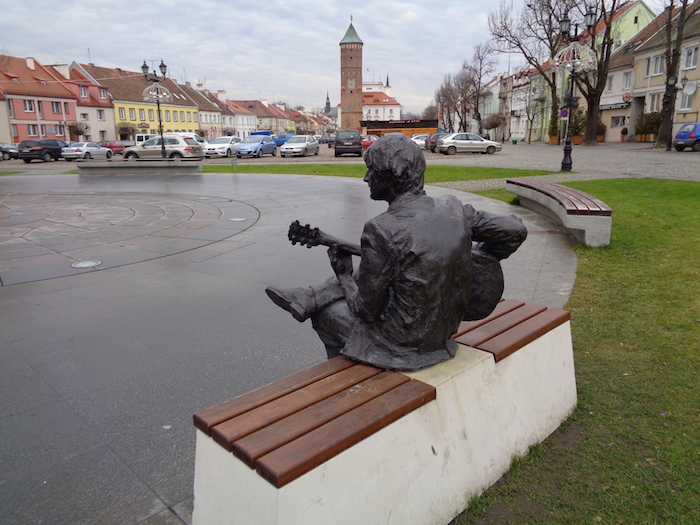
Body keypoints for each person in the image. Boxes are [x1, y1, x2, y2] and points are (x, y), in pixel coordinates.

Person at [266, 133, 527, 370]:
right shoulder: (452, 208)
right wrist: (477, 256)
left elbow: (365, 310)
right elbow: (514, 230)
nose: (366, 178)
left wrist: (343, 274)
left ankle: (343, 383)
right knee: (372, 276)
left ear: (392, 175)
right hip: (443, 335)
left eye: (371, 170)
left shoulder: (381, 228)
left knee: (326, 314)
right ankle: (309, 297)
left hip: (403, 347)